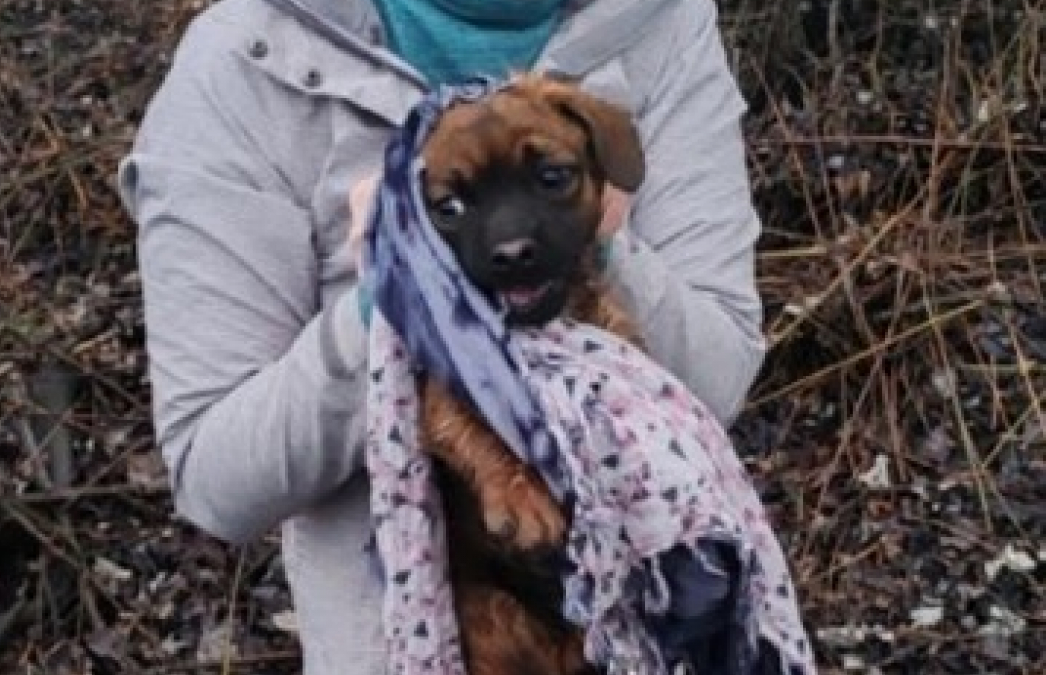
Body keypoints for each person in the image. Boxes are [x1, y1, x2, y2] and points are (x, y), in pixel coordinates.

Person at [117, 1, 767, 673]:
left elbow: (717, 383)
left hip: (655, 631)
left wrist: (599, 246)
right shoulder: (243, 60)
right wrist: (386, 302)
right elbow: (216, 476)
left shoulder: (657, 22)